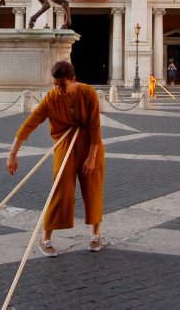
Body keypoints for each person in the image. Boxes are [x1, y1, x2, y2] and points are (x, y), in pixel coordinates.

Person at [6, 61, 105, 257]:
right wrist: (13, 153)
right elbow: (30, 123)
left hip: (90, 145)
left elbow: (95, 128)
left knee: (93, 188)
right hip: (64, 144)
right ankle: (46, 237)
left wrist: (91, 158)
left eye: (62, 85)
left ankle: (95, 234)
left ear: (73, 80)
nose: (58, 89)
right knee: (60, 189)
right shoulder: (51, 99)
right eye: (55, 85)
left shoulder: (88, 94)